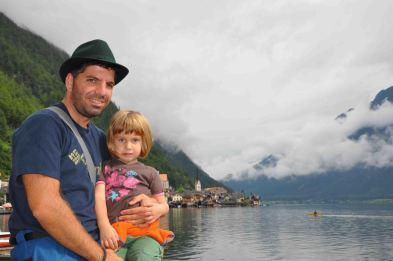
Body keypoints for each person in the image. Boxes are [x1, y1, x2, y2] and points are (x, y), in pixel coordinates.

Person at [8, 39, 130, 260]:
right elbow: (45, 207)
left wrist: (157, 206)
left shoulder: (102, 140)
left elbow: (127, 186)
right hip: (48, 247)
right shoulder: (44, 125)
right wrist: (101, 257)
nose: (102, 92)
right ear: (70, 81)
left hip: (91, 247)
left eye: (109, 85)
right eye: (92, 80)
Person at [95, 110, 174, 260]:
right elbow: (98, 197)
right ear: (112, 141)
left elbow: (164, 205)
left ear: (143, 142)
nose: (128, 146)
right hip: (114, 235)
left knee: (143, 256)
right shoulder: (104, 169)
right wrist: (104, 226)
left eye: (135, 140)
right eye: (121, 140)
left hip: (145, 235)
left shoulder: (151, 173)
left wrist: (158, 209)